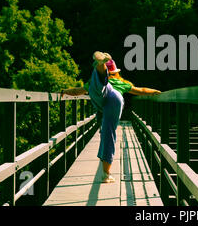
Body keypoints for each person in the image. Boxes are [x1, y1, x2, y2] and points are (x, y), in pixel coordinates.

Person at [61, 51, 161, 183]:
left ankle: (100, 69)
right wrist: (155, 92)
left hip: (102, 96)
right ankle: (106, 174)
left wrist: (64, 91)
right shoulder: (122, 82)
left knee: (97, 86)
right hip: (114, 99)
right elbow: (141, 90)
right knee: (109, 134)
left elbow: (77, 91)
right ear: (116, 72)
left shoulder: (93, 83)